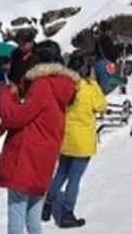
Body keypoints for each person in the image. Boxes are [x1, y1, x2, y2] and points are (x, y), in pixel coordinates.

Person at [0, 41, 77, 234]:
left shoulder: (42, 85)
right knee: (33, 216)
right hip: (44, 160)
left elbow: (15, 117)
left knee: (17, 212)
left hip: (27, 159)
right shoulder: (61, 87)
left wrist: (5, 93)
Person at [43, 54, 106, 228]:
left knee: (61, 173)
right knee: (75, 179)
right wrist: (94, 83)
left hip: (66, 138)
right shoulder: (89, 86)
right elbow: (101, 106)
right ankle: (67, 214)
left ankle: (47, 206)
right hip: (83, 141)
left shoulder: (63, 85)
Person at [92, 22, 120, 94]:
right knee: (109, 88)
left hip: (98, 63)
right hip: (106, 64)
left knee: (101, 86)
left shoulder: (98, 39)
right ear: (107, 30)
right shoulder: (106, 38)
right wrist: (117, 47)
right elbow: (111, 53)